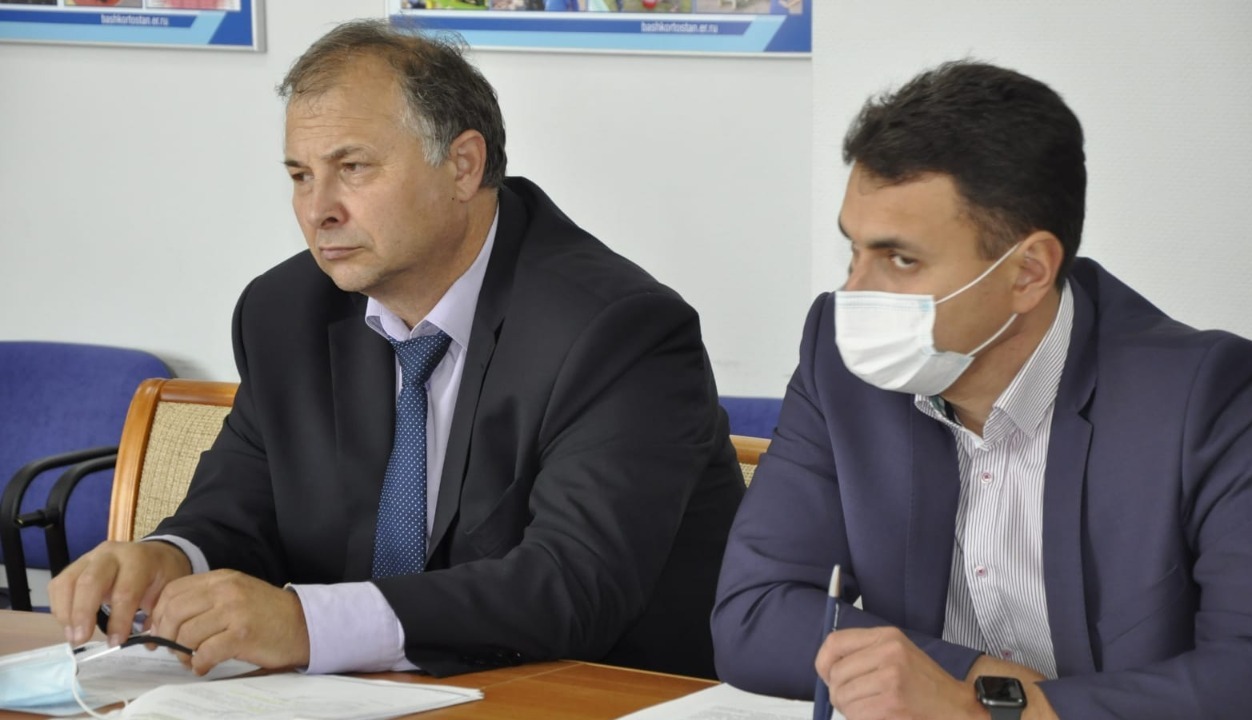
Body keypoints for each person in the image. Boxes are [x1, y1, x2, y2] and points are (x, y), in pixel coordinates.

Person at [49, 19, 743, 681]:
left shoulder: (616, 330)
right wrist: (170, 558)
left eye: (352, 167)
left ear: (463, 166)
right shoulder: (285, 312)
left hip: (588, 697)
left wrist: (306, 624)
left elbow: (573, 584)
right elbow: (240, 511)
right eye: (300, 175)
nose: (318, 210)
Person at [711, 60, 1252, 719]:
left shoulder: (1208, 397)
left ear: (1028, 272)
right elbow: (753, 613)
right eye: (854, 252)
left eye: (900, 259)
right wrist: (970, 677)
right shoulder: (843, 366)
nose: (854, 293)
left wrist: (993, 711)